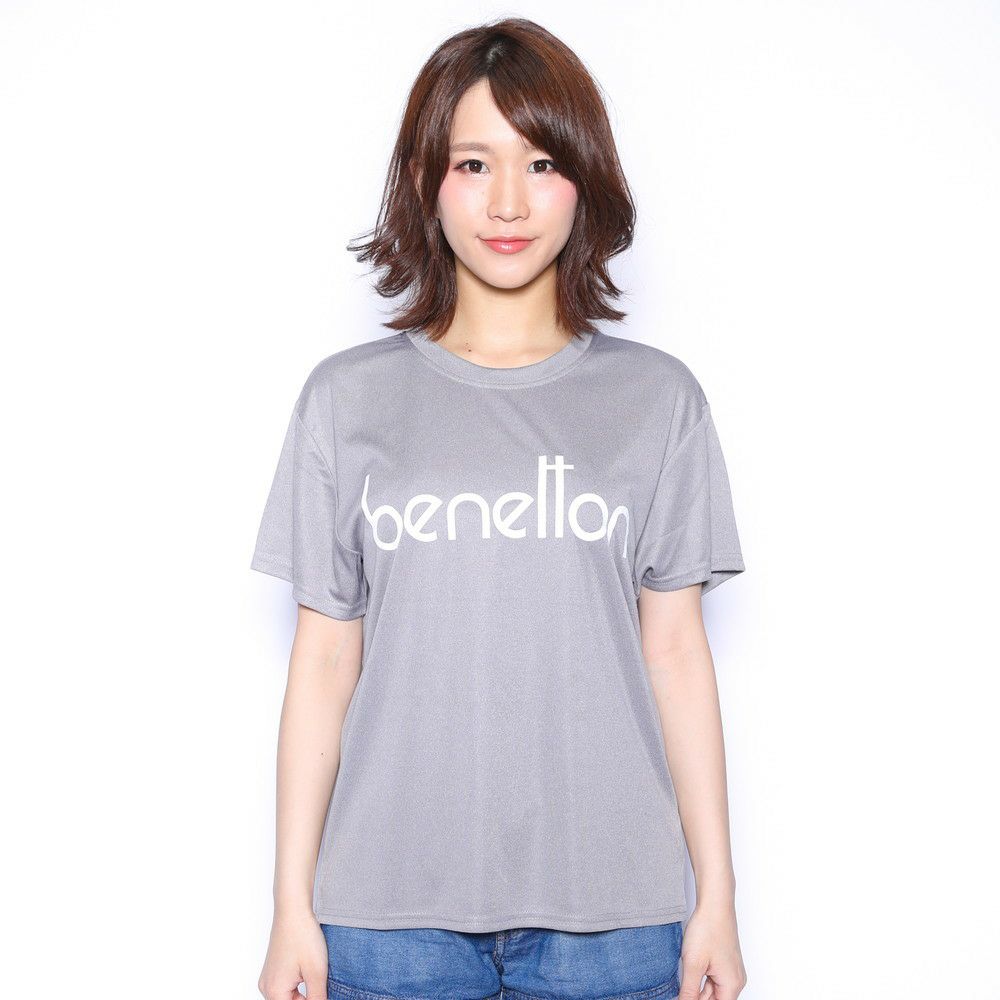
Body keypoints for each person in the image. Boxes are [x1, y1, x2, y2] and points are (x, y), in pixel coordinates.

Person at [251, 17, 748, 1000]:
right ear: (426, 180)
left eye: (542, 162)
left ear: (585, 179)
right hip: (387, 921)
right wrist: (289, 907)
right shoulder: (346, 400)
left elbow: (676, 655)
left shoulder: (658, 400)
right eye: (473, 164)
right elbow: (323, 660)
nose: (508, 201)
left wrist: (719, 899)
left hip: (614, 921)